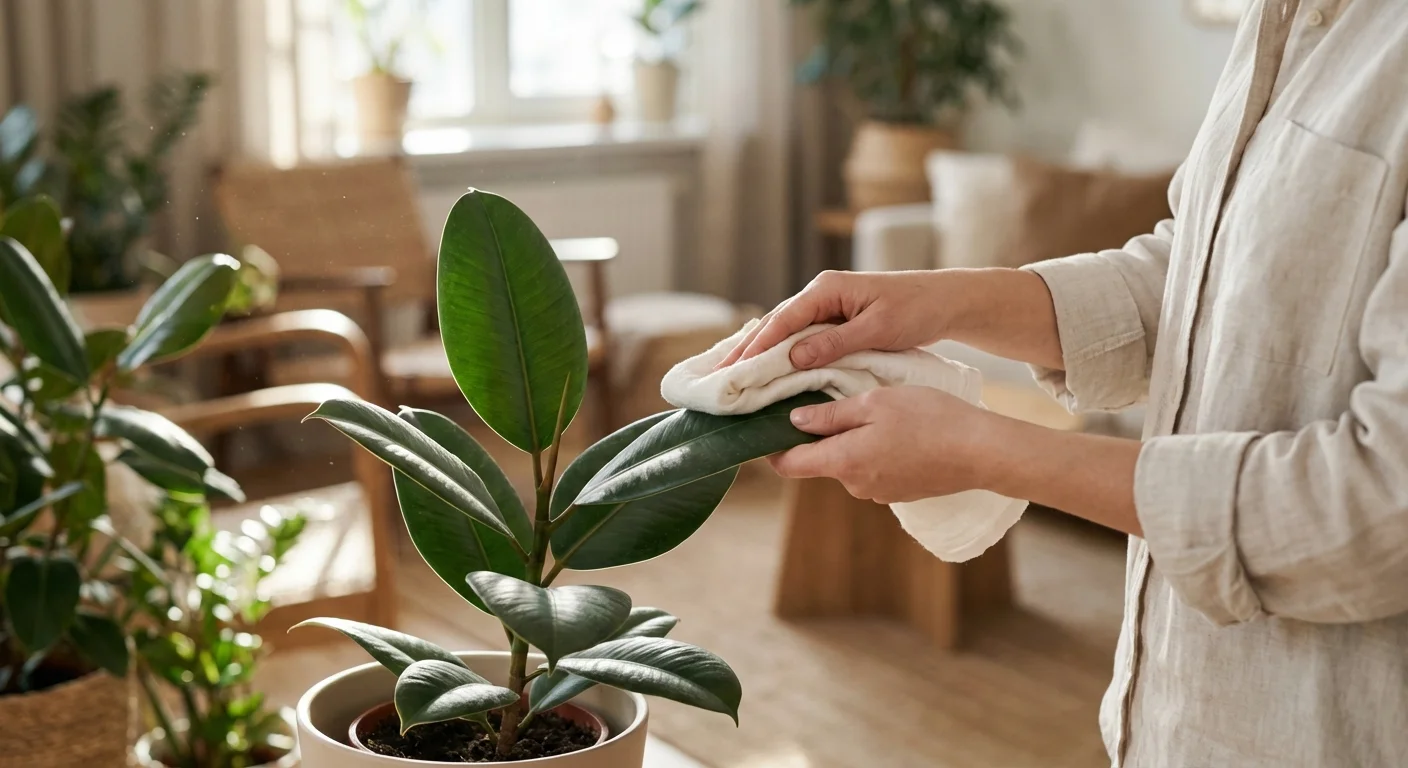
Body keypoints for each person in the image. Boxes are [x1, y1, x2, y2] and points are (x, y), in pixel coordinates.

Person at [718, 1, 1408, 765]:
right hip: (1175, 721)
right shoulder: (1286, 18)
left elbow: (1383, 507)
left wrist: (988, 452)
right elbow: (1198, 276)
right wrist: (937, 300)